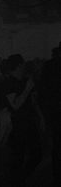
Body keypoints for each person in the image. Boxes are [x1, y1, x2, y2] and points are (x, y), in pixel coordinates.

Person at [2, 54, 42, 187]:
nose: (24, 67)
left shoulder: (24, 80)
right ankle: (16, 181)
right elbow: (15, 105)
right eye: (22, 65)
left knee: (37, 153)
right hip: (17, 125)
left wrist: (40, 118)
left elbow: (33, 102)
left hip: (29, 123)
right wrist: (27, 89)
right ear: (18, 66)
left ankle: (20, 178)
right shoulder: (9, 83)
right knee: (18, 158)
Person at [39, 45, 61, 187]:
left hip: (54, 113)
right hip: (55, 112)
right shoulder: (50, 67)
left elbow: (44, 92)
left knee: (57, 147)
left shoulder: (49, 66)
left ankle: (57, 177)